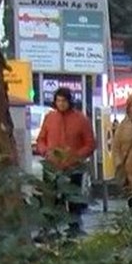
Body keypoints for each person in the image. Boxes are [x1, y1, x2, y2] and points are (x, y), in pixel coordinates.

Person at [34, 87, 95, 233]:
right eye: (58, 100)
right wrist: (45, 151)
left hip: (73, 167)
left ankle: (74, 227)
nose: (61, 104)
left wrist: (76, 157)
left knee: (73, 199)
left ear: (69, 101)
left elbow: (90, 143)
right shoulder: (50, 118)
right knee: (49, 198)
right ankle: (47, 229)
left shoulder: (81, 119)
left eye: (64, 101)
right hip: (52, 166)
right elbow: (41, 140)